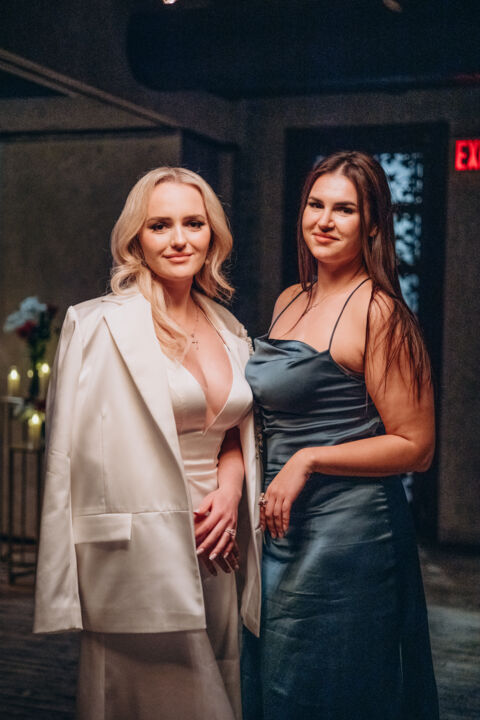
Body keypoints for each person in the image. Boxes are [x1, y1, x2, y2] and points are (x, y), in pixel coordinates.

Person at [34, 167, 262, 720]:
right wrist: (59, 582)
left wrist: (230, 491)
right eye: (160, 225)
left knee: (221, 685)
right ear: (136, 236)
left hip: (219, 546)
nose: (179, 239)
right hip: (136, 553)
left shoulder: (230, 328)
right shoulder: (94, 325)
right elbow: (63, 456)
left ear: (212, 234)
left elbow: (233, 432)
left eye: (193, 223)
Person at [242, 150, 439, 719]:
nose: (324, 221)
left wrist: (307, 459)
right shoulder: (289, 299)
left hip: (349, 534)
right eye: (315, 204)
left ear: (372, 224)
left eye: (344, 210)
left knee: (328, 687)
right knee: (275, 682)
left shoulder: (380, 312)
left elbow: (416, 447)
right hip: (280, 524)